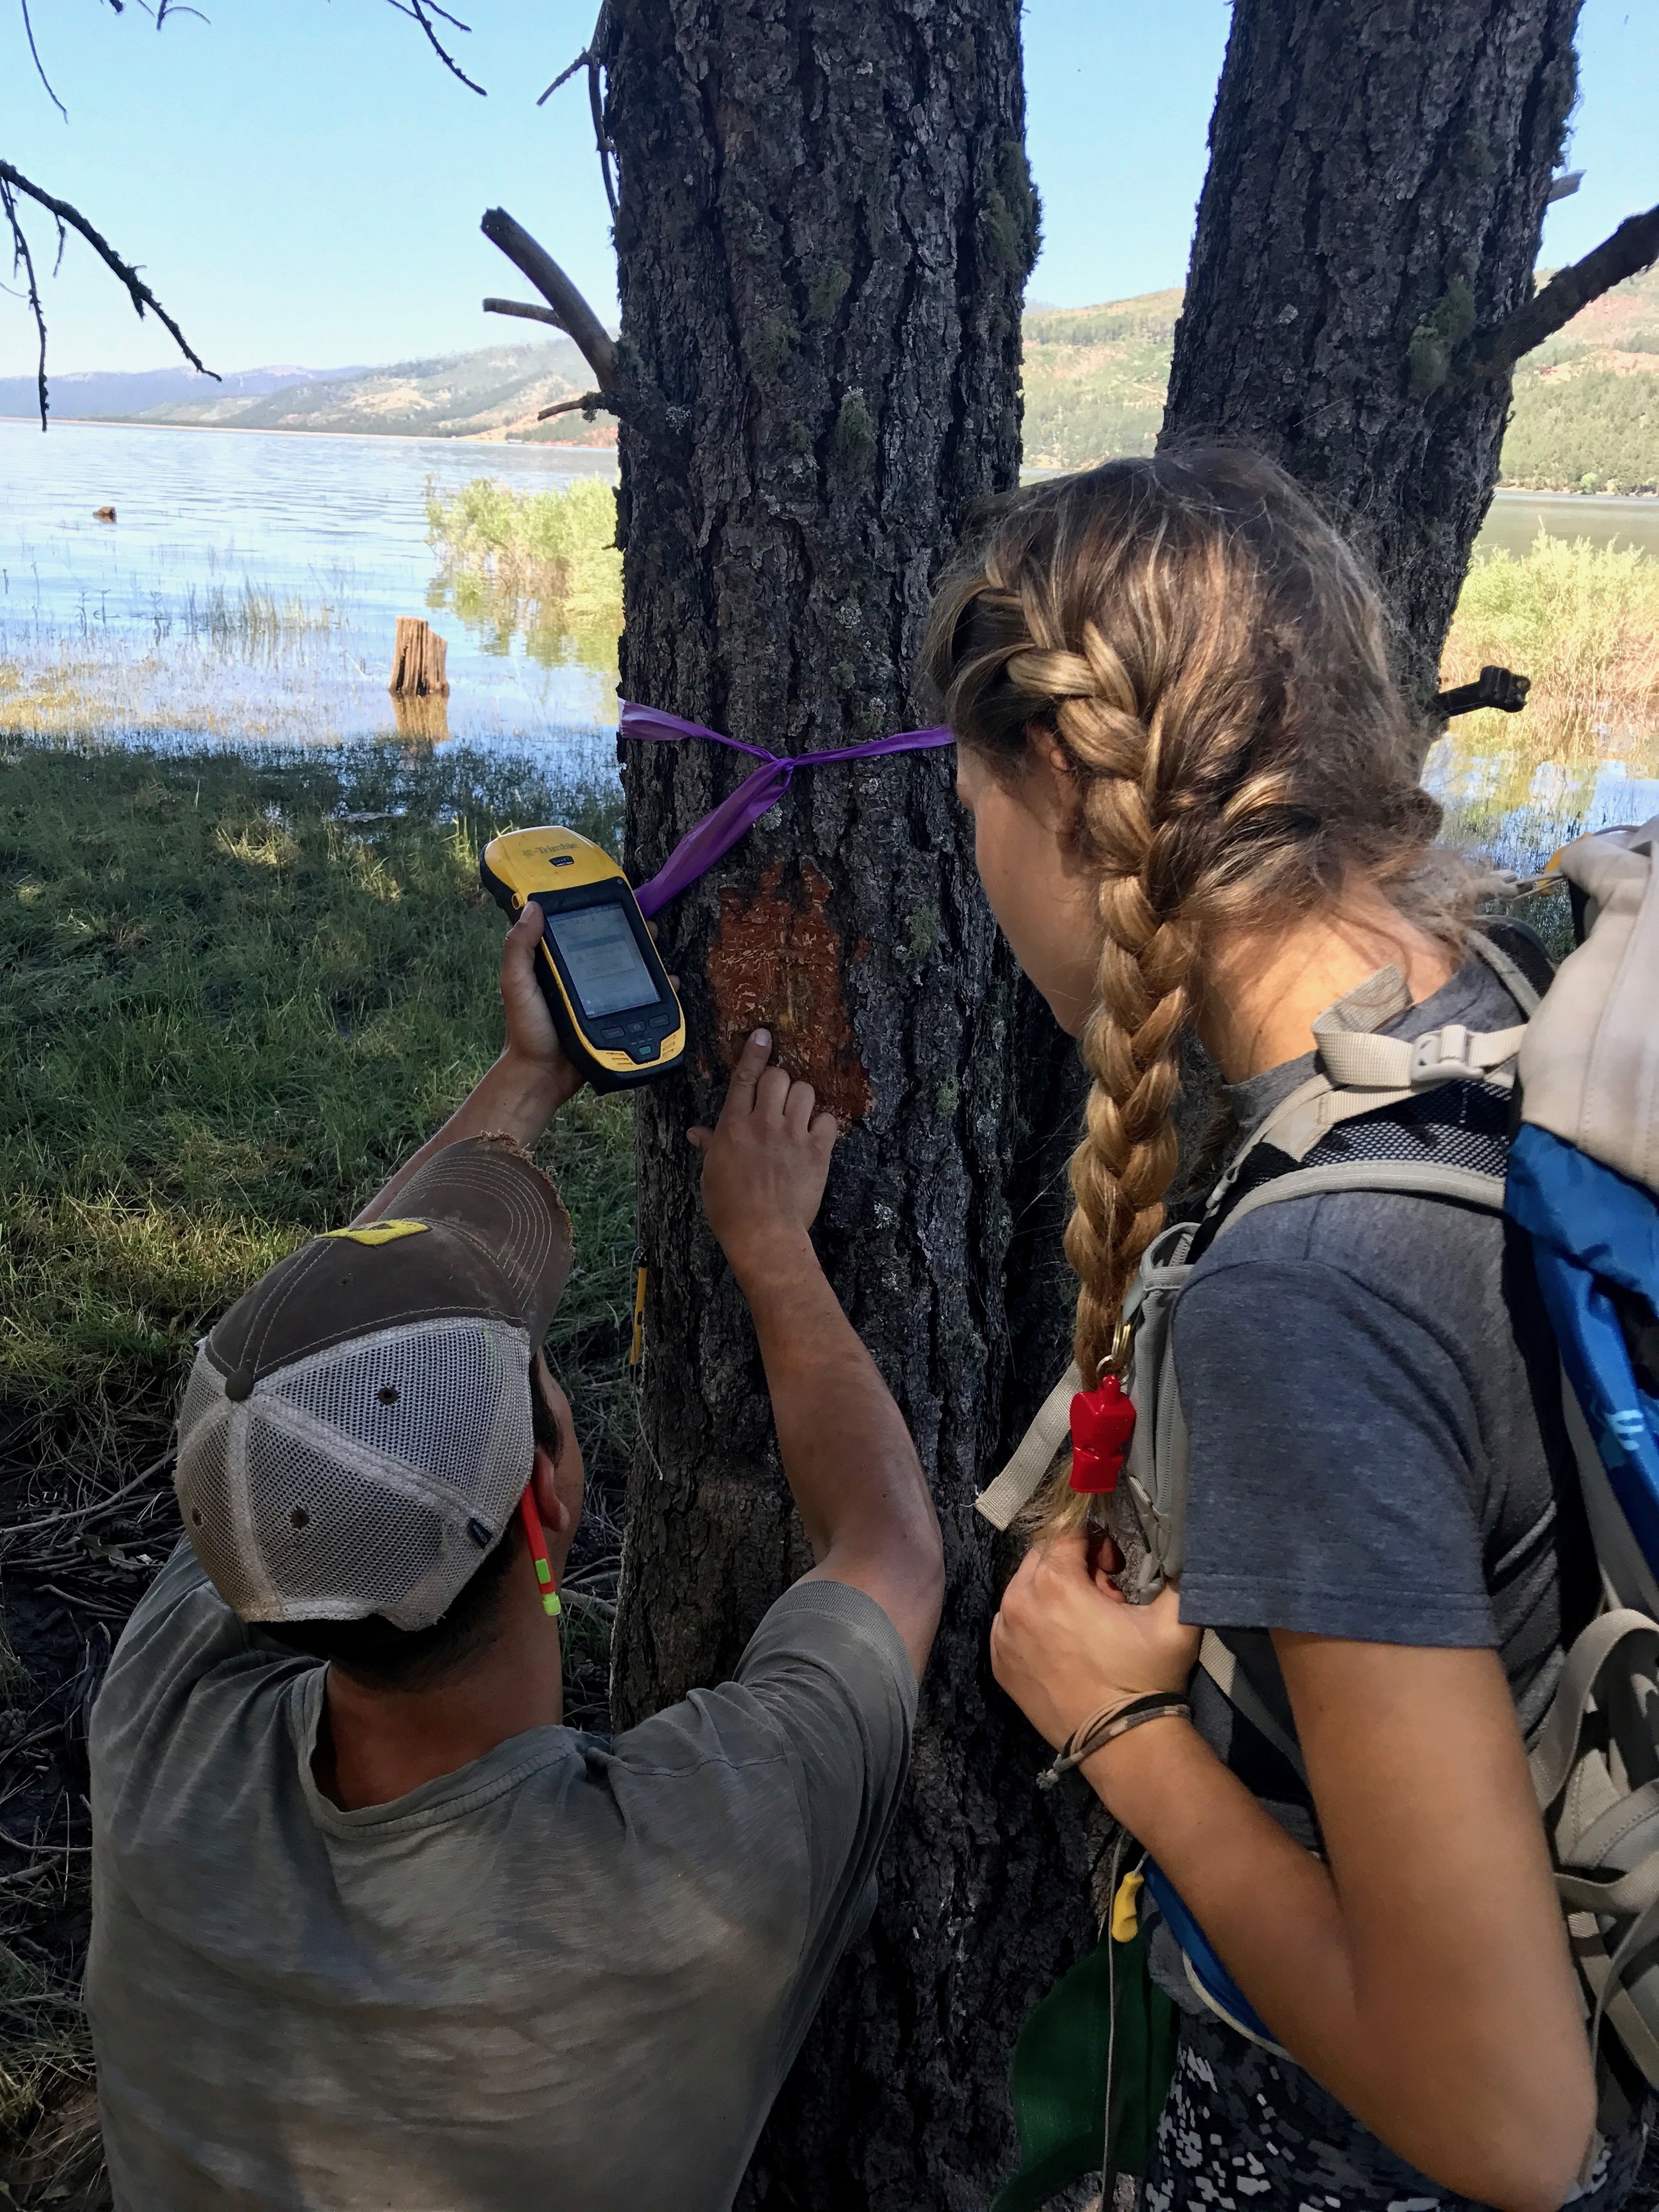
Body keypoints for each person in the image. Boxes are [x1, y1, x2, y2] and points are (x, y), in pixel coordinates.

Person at [924, 449, 1647, 2212]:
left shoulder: (1309, 1297)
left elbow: (1502, 2118)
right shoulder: (1512, 1030)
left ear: (1064, 782)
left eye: (973, 820)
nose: (979, 872)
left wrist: (1117, 1735)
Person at [86, 897, 943, 2211]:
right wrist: (775, 1250)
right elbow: (888, 1547)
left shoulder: (163, 1726)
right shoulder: (679, 1868)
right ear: (551, 1488)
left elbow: (300, 1388)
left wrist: (529, 1072)